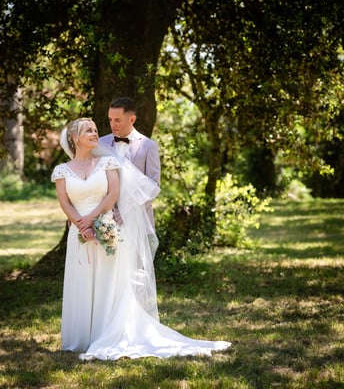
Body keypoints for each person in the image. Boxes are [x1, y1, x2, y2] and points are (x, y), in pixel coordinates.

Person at [51, 117, 231, 360]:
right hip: (79, 233)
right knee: (82, 281)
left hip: (105, 226)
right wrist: (80, 224)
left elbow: (112, 194)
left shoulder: (107, 163)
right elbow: (65, 202)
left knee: (108, 282)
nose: (95, 134)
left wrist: (92, 220)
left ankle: (106, 333)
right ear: (75, 138)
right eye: (88, 131)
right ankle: (82, 337)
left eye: (95, 129)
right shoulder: (62, 171)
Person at [100, 97, 160, 228]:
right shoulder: (100, 143)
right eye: (110, 119)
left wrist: (126, 211)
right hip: (105, 220)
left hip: (138, 222)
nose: (113, 124)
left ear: (132, 119)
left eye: (117, 120)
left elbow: (153, 187)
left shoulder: (148, 146)